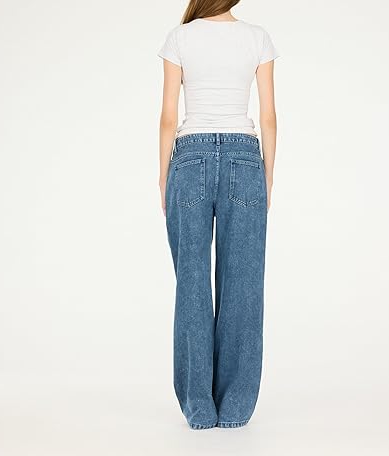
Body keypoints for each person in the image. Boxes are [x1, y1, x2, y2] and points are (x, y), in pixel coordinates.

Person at [157, 0, 279, 430]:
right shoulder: (257, 38)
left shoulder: (180, 38)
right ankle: (235, 407)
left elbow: (168, 118)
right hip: (245, 158)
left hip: (189, 158)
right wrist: (267, 176)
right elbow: (268, 117)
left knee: (191, 284)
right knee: (243, 284)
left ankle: (199, 407)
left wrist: (163, 175)